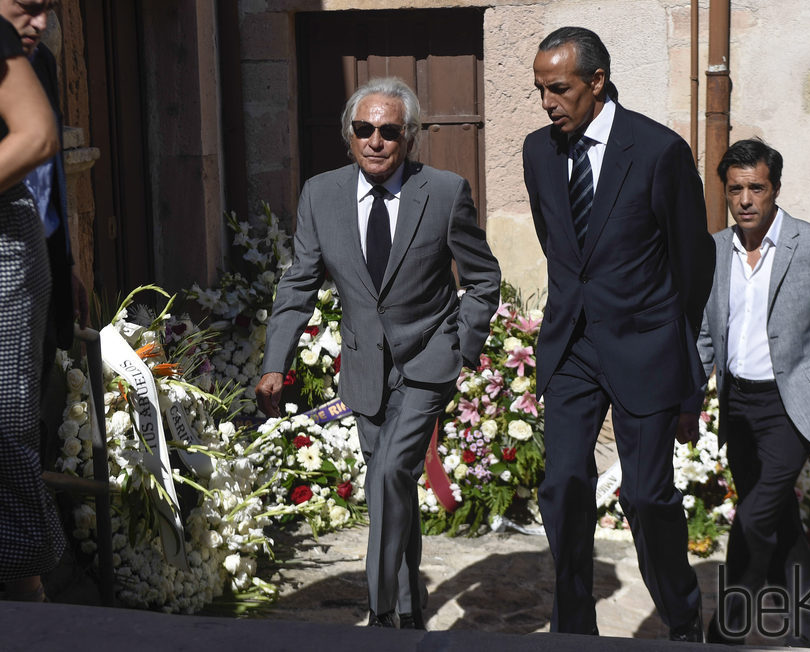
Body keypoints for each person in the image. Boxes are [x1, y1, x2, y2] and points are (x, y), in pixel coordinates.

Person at [256, 77, 500, 629]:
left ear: (409, 137)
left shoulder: (443, 191)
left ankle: (381, 610)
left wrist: (461, 348)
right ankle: (412, 611)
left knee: (389, 473)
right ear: (349, 135)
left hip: (427, 365)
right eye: (364, 129)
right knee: (394, 490)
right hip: (365, 371)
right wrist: (276, 362)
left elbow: (483, 279)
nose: (375, 141)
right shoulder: (321, 195)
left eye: (389, 131)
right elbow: (299, 285)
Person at [522, 26, 714, 640]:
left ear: (597, 82)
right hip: (572, 347)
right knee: (564, 484)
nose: (548, 102)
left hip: (646, 346)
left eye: (559, 89)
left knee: (648, 497)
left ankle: (682, 616)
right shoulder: (537, 151)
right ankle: (574, 627)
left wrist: (688, 372)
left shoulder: (658, 151)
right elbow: (559, 244)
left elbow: (693, 265)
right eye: (540, 90)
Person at [682, 138, 810, 647]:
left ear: (775, 188)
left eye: (757, 187)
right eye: (736, 190)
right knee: (775, 513)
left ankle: (726, 629)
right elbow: (709, 334)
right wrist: (690, 401)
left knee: (753, 517)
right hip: (738, 404)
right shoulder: (713, 251)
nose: (746, 200)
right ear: (726, 193)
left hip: (790, 407)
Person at [0, 9, 64, 600]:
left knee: (3, 424)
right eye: (29, 1)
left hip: (2, 241)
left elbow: (37, 135)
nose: (41, 19)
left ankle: (31, 601)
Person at [0, 0, 87, 383]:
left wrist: (62, 261)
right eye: (28, 6)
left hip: (38, 271)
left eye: (48, 9)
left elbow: (48, 178)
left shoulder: (42, 63)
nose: (40, 23)